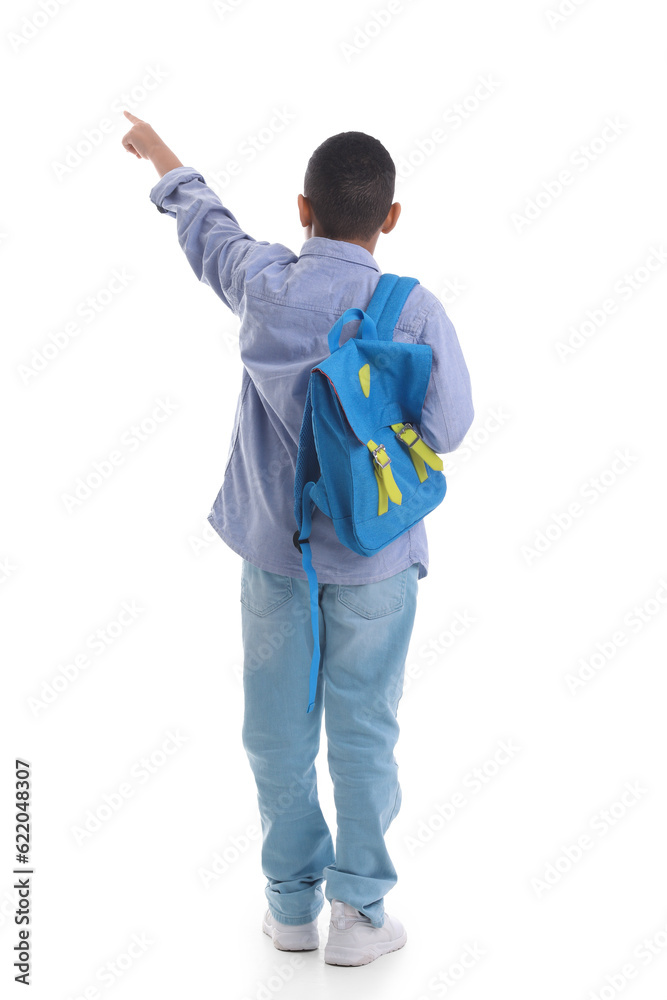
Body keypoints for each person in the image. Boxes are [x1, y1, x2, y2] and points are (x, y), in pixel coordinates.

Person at [122, 110, 474, 967]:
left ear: (301, 209)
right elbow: (451, 426)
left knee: (277, 730)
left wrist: (162, 152)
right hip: (376, 559)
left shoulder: (264, 282)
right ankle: (359, 918)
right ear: (389, 217)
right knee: (364, 733)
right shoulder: (413, 307)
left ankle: (289, 909)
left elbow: (209, 229)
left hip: (276, 558)